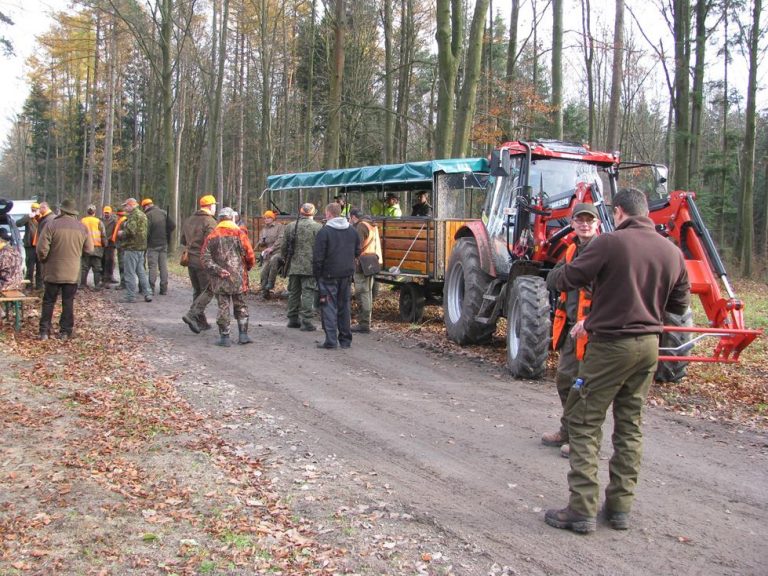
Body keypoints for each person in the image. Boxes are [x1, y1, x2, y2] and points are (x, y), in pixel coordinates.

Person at [543, 188, 690, 534]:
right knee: (630, 425)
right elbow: (679, 307)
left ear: (619, 212)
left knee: (583, 422)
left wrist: (551, 276)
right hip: (649, 347)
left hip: (609, 346)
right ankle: (620, 507)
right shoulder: (672, 252)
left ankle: (581, 509)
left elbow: (570, 277)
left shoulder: (608, 243)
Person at [541, 203, 600, 459]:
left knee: (586, 387)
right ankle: (567, 431)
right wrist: (572, 272)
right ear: (573, 224)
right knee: (565, 380)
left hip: (595, 331)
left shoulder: (603, 251)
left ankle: (585, 441)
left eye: (590, 220)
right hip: (570, 331)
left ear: (597, 224)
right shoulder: (571, 250)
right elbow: (552, 279)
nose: (585, 224)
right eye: (580, 220)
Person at [36, 198, 94, 340]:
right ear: (74, 212)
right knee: (68, 301)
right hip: (72, 273)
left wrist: (45, 261)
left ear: (61, 210)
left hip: (53, 271)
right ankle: (65, 332)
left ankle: (44, 331)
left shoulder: (51, 225)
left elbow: (41, 249)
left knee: (49, 301)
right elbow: (90, 249)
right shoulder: (82, 227)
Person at [201, 207, 256, 346]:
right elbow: (250, 255)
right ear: (232, 218)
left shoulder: (212, 236)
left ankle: (225, 338)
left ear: (219, 219)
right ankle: (243, 335)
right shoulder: (240, 234)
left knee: (223, 306)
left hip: (220, 279)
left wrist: (218, 270)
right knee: (241, 305)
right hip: (239, 278)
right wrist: (247, 268)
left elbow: (204, 259)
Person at [313, 203, 361, 349]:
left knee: (328, 307)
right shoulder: (352, 231)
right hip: (346, 275)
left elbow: (317, 258)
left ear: (328, 214)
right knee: (344, 307)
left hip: (328, 275)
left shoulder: (324, 232)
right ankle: (346, 340)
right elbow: (358, 251)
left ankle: (331, 340)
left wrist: (317, 276)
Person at [280, 202, 322, 331]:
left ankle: (292, 319)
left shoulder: (291, 226)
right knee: (308, 292)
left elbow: (284, 247)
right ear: (313, 213)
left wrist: (284, 260)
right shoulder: (318, 227)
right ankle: (307, 321)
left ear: (300, 211)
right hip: (310, 265)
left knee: (294, 292)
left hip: (293, 265)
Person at [180, 195, 218, 333]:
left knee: (198, 290)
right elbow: (213, 242)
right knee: (209, 289)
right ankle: (192, 314)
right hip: (203, 260)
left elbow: (183, 240)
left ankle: (201, 322)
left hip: (190, 259)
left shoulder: (189, 220)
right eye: (214, 205)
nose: (215, 207)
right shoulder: (210, 222)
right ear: (210, 206)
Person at [349, 208, 381, 333]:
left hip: (361, 264)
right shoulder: (371, 224)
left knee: (362, 293)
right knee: (367, 293)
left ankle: (364, 324)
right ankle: (366, 322)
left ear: (353, 217)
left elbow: (358, 247)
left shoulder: (361, 227)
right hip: (371, 262)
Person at [118, 197, 152, 303]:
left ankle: (130, 296)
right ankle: (147, 293)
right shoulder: (143, 215)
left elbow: (130, 231)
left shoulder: (133, 216)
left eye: (126, 206)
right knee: (141, 271)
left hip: (132, 247)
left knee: (129, 272)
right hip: (141, 247)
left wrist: (121, 233)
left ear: (131, 205)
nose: (125, 208)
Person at [142, 198, 175, 295]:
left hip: (152, 245)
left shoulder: (148, 215)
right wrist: (166, 232)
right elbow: (173, 225)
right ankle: (164, 288)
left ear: (146, 206)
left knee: (152, 267)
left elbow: (146, 232)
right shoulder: (164, 213)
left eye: (143, 207)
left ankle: (151, 289)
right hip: (164, 243)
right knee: (163, 266)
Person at [256, 210, 284, 299]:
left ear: (273, 218)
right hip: (268, 254)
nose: (266, 220)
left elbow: (281, 239)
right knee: (263, 272)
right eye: (265, 218)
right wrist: (261, 243)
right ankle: (265, 293)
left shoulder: (280, 227)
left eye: (268, 218)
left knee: (274, 260)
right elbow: (261, 243)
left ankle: (271, 283)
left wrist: (272, 248)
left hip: (278, 252)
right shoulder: (264, 230)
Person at [80, 204, 107, 289]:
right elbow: (103, 234)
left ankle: (82, 285)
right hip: (97, 247)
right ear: (94, 212)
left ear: (87, 212)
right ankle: (97, 285)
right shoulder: (99, 222)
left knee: (84, 267)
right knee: (97, 268)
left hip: (85, 247)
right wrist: (105, 244)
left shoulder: (82, 221)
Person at [15, 202, 40, 288]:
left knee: (40, 267)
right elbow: (18, 224)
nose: (34, 211)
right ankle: (29, 286)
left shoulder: (42, 218)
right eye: (33, 209)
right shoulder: (28, 218)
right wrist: (28, 216)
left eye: (36, 209)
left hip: (40, 246)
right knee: (30, 267)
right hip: (30, 246)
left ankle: (39, 286)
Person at [32, 202, 54, 289]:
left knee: (42, 268)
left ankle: (42, 287)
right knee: (40, 268)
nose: (38, 210)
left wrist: (43, 250)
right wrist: (37, 217)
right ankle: (39, 287)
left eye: (39, 209)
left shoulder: (49, 219)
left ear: (44, 208)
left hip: (45, 247)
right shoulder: (46, 217)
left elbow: (45, 235)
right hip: (42, 245)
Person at [0, 227, 24, 292]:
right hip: (17, 282)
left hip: (7, 284)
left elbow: (2, 269)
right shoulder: (15, 250)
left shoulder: (4, 253)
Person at [101, 206, 118, 285]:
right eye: (105, 212)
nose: (106, 214)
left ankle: (110, 276)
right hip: (102, 243)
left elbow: (115, 232)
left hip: (111, 243)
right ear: (103, 212)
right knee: (103, 259)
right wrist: (103, 240)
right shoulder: (100, 221)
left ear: (111, 213)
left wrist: (108, 239)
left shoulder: (114, 221)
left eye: (108, 212)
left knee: (110, 260)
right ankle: (103, 276)